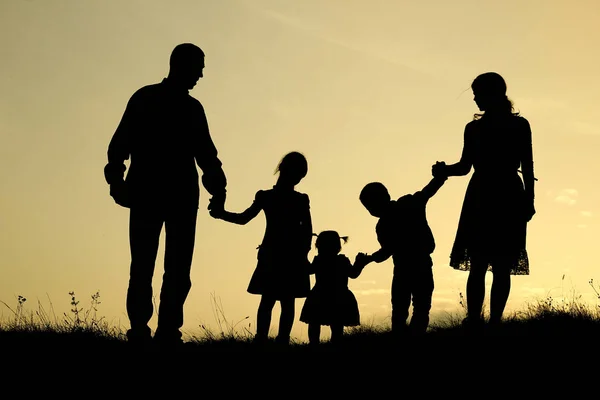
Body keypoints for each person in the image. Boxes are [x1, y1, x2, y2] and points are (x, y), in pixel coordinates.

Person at [103, 43, 227, 347]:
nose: (201, 74)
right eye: (198, 67)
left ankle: (161, 331)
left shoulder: (166, 102)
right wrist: (116, 179)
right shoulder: (157, 101)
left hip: (170, 195)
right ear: (181, 65)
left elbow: (206, 157)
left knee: (166, 268)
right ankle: (148, 331)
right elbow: (120, 145)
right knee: (153, 266)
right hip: (160, 194)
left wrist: (218, 187)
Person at [432, 71, 536, 328]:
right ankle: (483, 320)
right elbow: (467, 166)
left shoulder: (501, 127)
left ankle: (485, 320)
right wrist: (445, 169)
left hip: (491, 194)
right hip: (499, 194)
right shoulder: (496, 127)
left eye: (478, 93)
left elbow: (527, 165)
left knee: (489, 263)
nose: (476, 99)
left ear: (493, 94)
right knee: (487, 263)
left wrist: (529, 201)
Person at [209, 151, 312, 345]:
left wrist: (221, 214)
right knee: (284, 301)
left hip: (274, 253)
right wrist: (303, 255)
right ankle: (278, 340)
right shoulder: (298, 199)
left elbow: (243, 218)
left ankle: (263, 340)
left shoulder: (268, 197)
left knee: (270, 300)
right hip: (288, 256)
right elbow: (307, 231)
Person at [357, 174, 447, 336]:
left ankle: (402, 339)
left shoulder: (384, 223)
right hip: (420, 265)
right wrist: (440, 177)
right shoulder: (409, 204)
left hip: (403, 269)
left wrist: (368, 259)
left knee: (400, 309)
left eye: (369, 207)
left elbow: (386, 252)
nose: (371, 211)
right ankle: (414, 337)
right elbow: (428, 191)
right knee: (420, 307)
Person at [299, 231, 368, 346]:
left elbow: (308, 270)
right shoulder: (342, 260)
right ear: (337, 246)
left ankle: (313, 345)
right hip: (340, 296)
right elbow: (353, 274)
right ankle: (335, 346)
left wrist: (302, 256)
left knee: (314, 322)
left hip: (319, 295)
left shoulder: (319, 260)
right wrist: (359, 262)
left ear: (319, 245)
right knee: (337, 324)